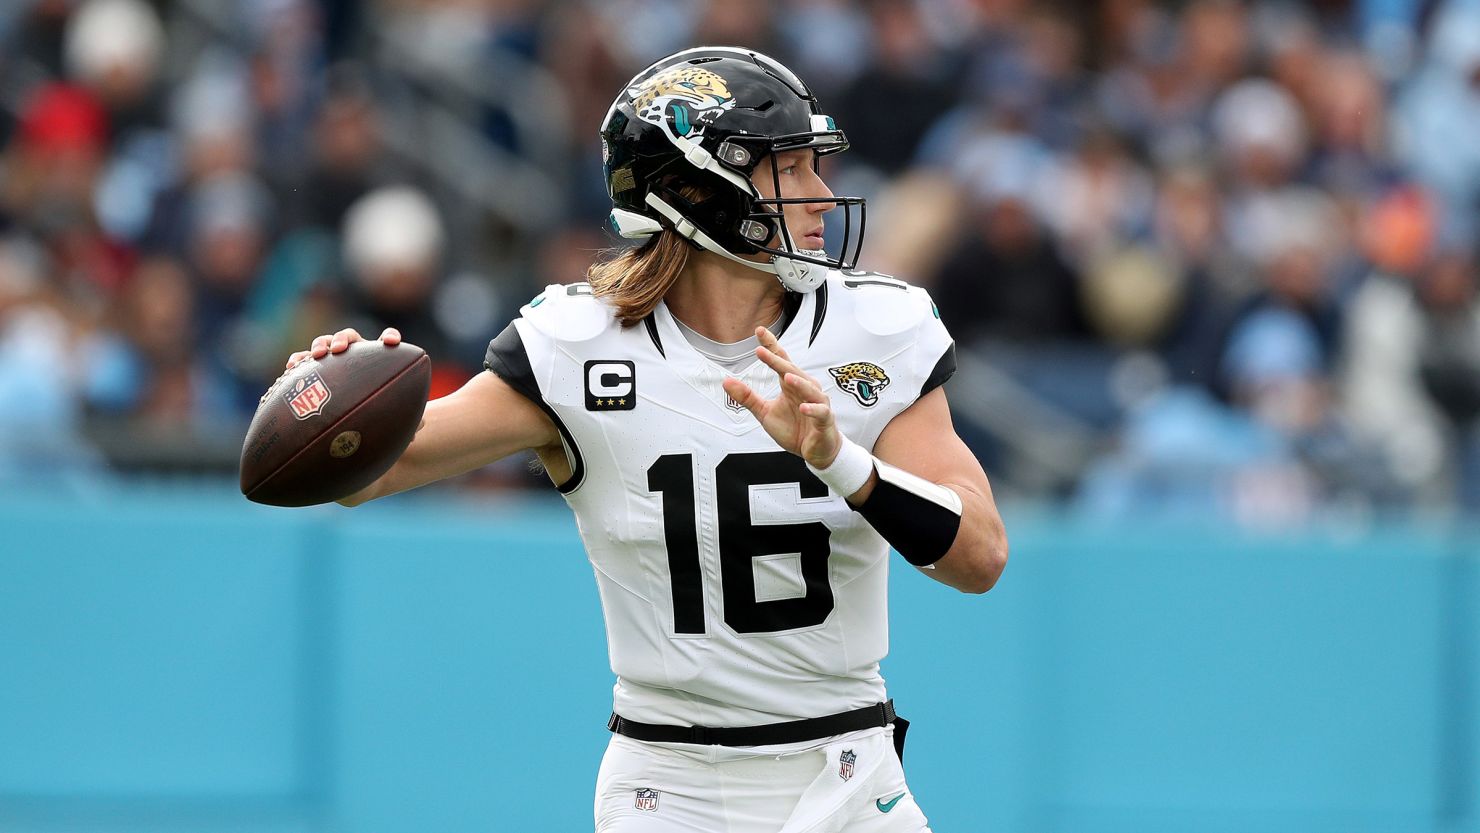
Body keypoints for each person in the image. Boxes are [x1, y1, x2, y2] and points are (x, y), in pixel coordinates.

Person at [288, 46, 1008, 833]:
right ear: (704, 189)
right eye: (794, 169)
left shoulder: (878, 329)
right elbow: (361, 474)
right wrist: (323, 409)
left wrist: (842, 462)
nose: (823, 196)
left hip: (849, 773)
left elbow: (979, 557)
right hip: (669, 785)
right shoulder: (575, 346)